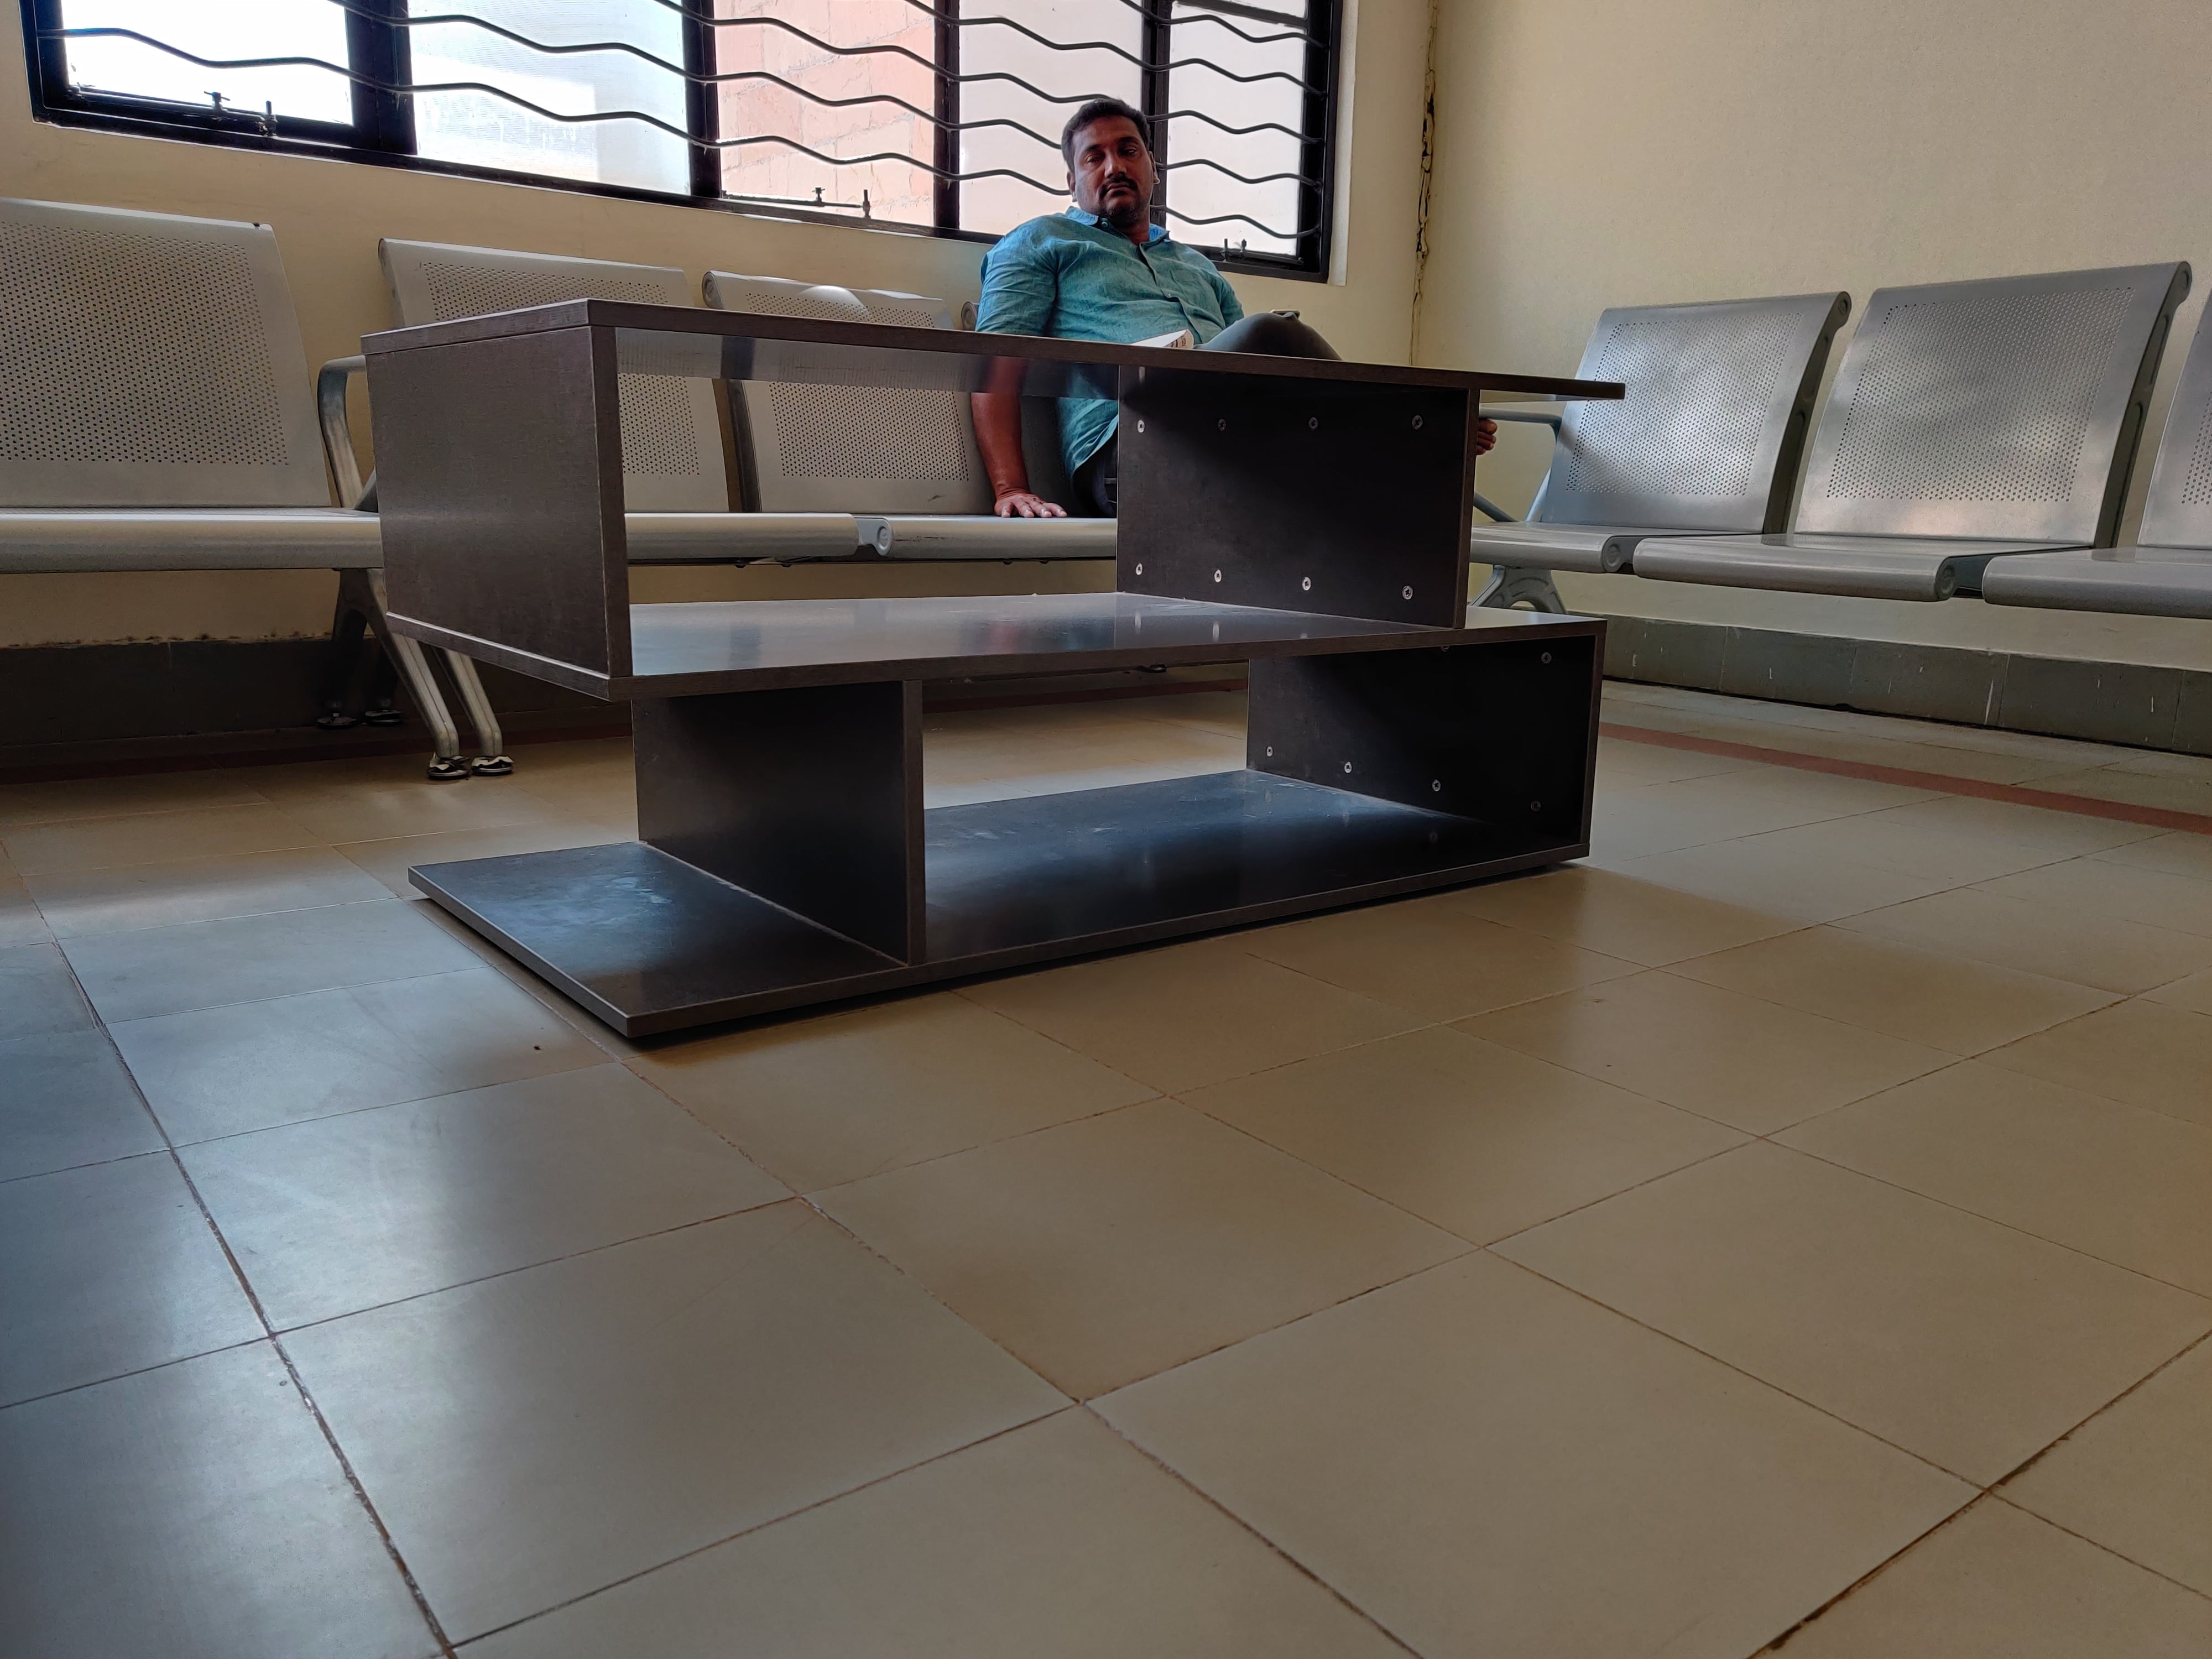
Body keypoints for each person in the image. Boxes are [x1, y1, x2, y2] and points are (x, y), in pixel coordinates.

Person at [970, 96, 1496, 518]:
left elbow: (1255, 380)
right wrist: (1011, 488)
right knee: (1270, 334)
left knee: (1279, 378)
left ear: (1153, 167)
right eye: (1094, 157)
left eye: (1129, 150)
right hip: (1130, 452)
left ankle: (1398, 441)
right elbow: (995, 362)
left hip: (1234, 442)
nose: (1114, 166)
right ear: (1072, 182)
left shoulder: (1198, 267)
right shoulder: (1042, 241)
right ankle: (1407, 426)